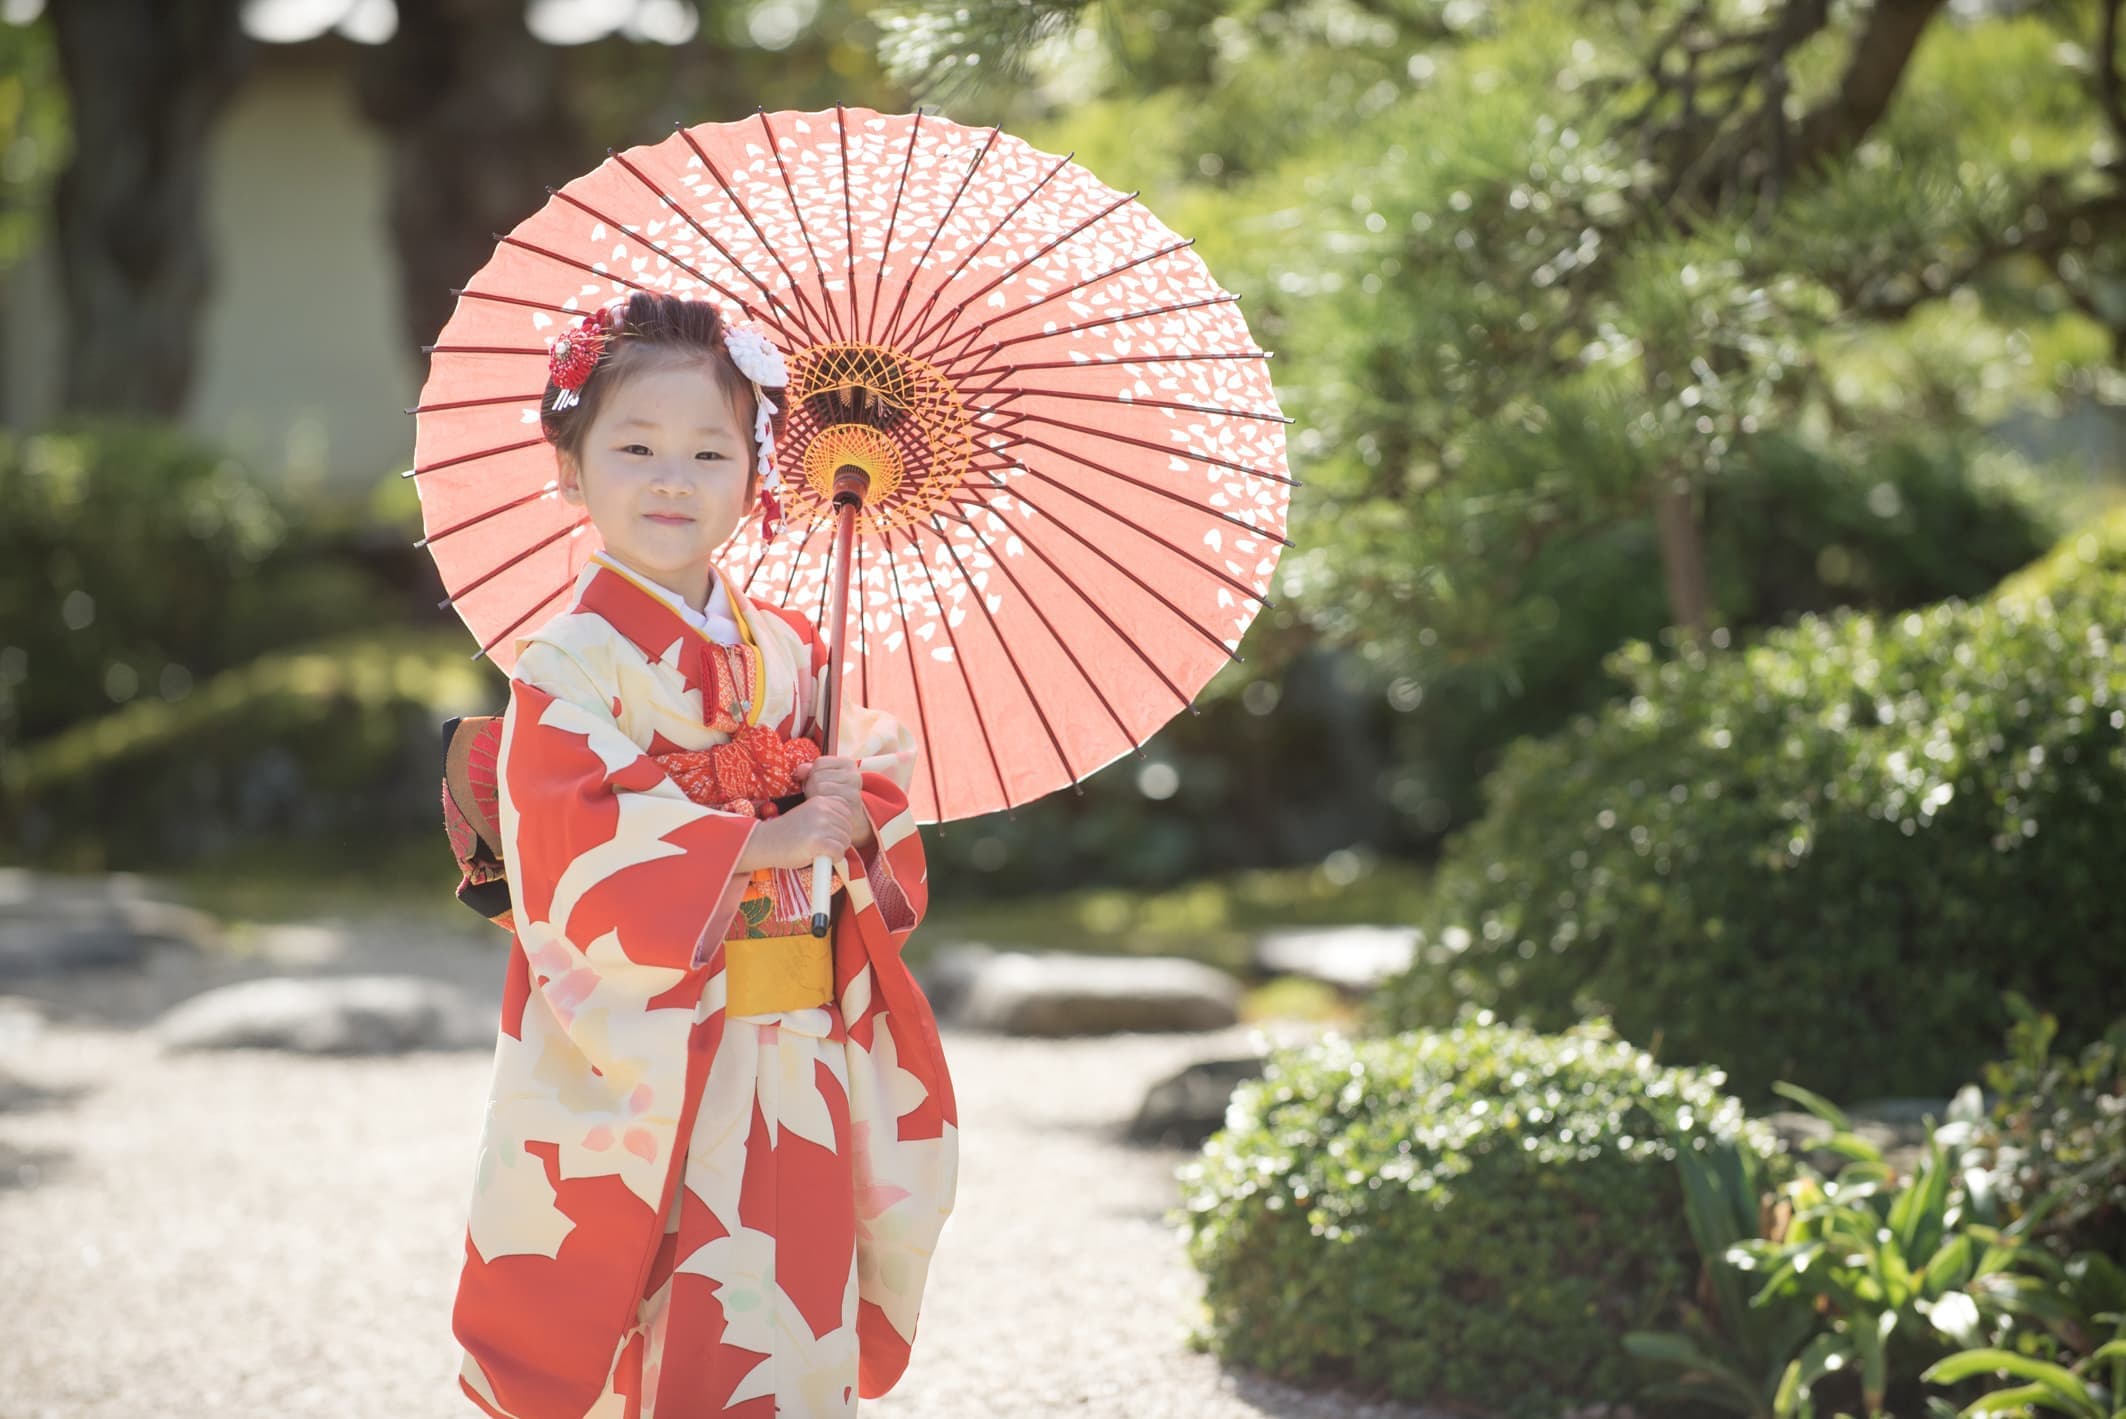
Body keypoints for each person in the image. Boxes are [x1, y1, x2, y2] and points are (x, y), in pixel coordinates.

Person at [447, 291, 959, 1419]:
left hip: (795, 1039)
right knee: (663, 1292)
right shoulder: (566, 662)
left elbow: (870, 787)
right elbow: (571, 838)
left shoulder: (794, 647)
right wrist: (763, 835)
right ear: (571, 469)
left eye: (710, 452)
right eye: (634, 448)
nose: (672, 479)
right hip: (654, 1038)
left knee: (788, 1301)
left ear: (757, 477)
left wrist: (852, 802)